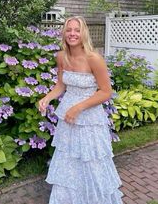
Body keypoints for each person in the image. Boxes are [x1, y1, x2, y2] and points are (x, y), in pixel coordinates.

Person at [38, 16, 123, 204]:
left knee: (91, 161)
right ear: (64, 33)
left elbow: (106, 92)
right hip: (68, 119)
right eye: (69, 30)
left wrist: (78, 107)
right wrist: (46, 98)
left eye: (77, 30)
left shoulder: (94, 58)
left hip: (90, 119)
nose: (72, 34)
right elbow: (61, 86)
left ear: (83, 32)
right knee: (69, 160)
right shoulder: (61, 57)